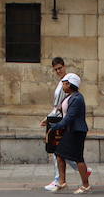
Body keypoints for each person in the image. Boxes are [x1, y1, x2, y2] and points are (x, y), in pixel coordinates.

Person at [46, 73, 91, 194]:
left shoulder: (77, 99)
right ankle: (62, 181)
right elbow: (60, 110)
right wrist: (49, 120)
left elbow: (69, 117)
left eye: (64, 83)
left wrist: (56, 126)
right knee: (59, 153)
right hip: (70, 130)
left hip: (77, 131)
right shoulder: (69, 97)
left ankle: (85, 185)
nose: (62, 85)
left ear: (70, 84)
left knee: (78, 158)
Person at [41, 57, 68, 190]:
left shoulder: (66, 82)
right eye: (56, 69)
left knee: (57, 150)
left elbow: (59, 105)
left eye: (60, 68)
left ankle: (58, 180)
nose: (58, 71)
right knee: (59, 151)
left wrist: (49, 118)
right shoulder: (61, 82)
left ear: (64, 66)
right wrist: (48, 117)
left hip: (61, 120)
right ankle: (83, 170)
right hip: (57, 118)